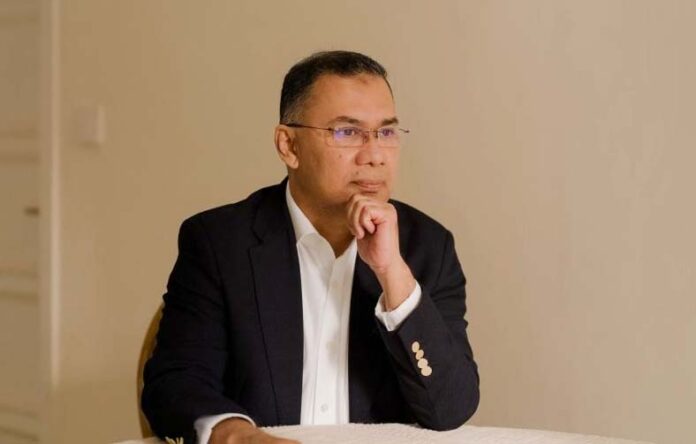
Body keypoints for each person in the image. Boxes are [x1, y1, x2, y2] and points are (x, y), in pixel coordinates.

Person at [142, 50, 479, 444]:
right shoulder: (220, 242)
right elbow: (176, 382)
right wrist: (236, 435)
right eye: (347, 132)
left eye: (386, 133)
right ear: (289, 145)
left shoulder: (428, 247)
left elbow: (451, 408)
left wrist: (393, 275)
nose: (374, 156)